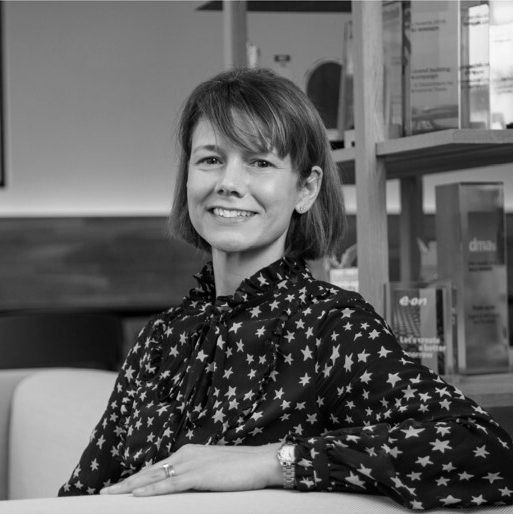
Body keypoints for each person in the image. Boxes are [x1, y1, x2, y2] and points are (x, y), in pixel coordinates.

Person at [59, 68, 513, 510]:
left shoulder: (331, 326)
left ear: (306, 189)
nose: (228, 183)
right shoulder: (160, 339)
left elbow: (484, 446)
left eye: (260, 162)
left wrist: (273, 461)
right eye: (210, 159)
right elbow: (80, 497)